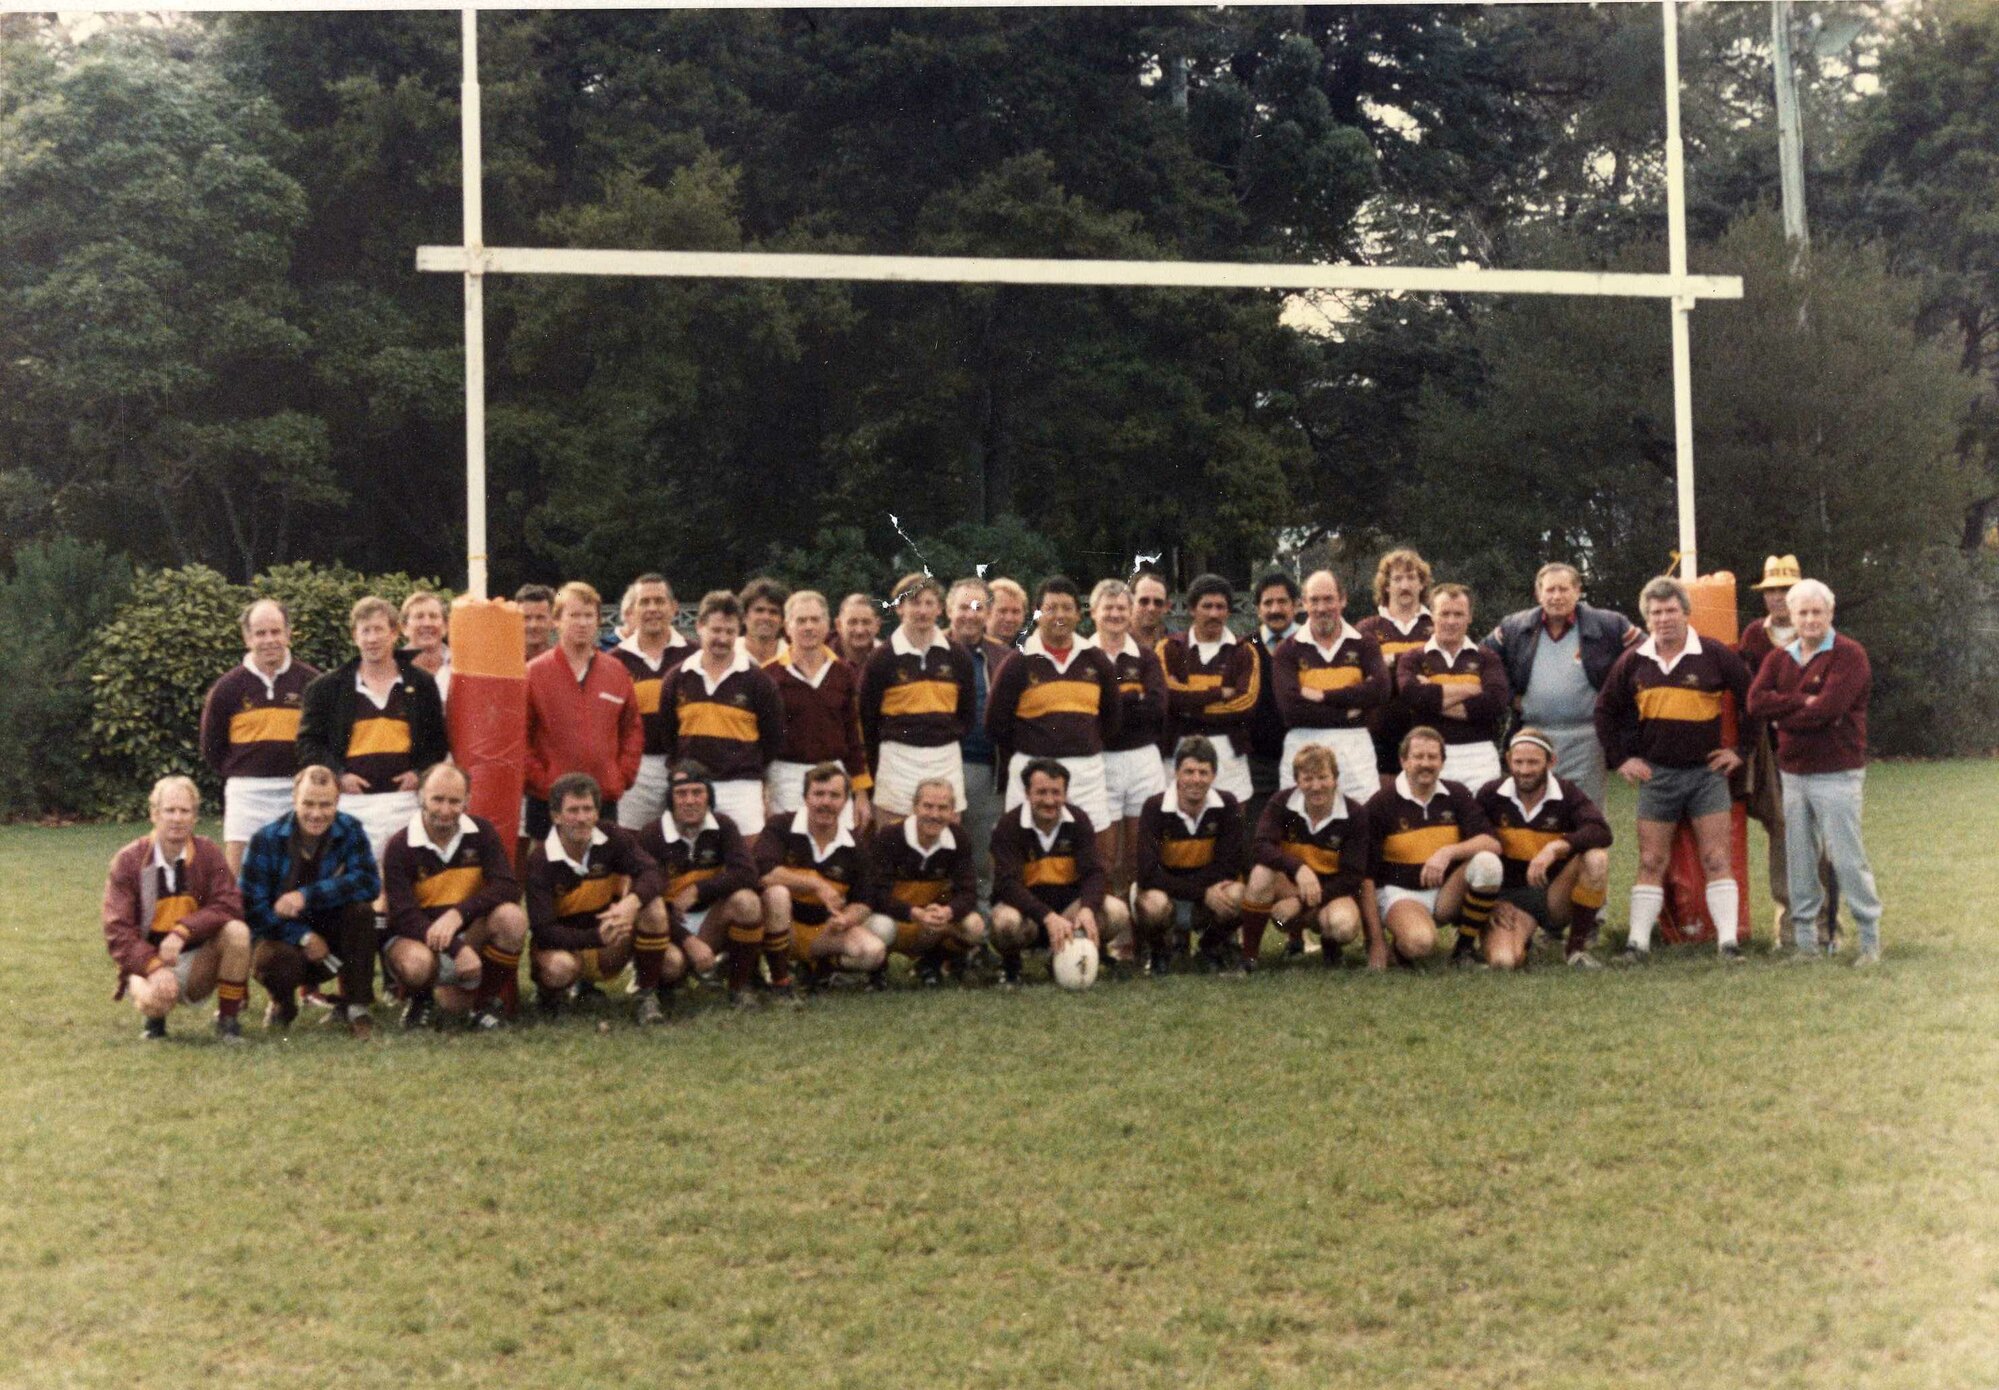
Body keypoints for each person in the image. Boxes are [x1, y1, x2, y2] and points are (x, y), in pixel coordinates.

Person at [1595, 575, 1756, 964]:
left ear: (1686, 612)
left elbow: (1753, 698)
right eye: (1655, 613)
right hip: (1658, 776)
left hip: (1706, 775)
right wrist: (1621, 758)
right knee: (1651, 860)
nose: (1663, 618)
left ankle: (1728, 944)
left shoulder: (1714, 654)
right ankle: (1637, 944)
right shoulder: (1634, 660)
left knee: (1717, 858)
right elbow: (1604, 711)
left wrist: (1740, 750)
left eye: (1670, 611)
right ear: (1646, 619)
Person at [1746, 578, 1884, 965]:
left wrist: (1784, 716)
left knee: (1845, 857)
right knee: (1799, 858)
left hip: (1838, 773)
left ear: (1830, 613)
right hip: (1793, 774)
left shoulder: (1849, 655)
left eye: (1816, 612)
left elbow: (1829, 709)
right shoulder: (1778, 658)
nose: (1809, 619)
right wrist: (1802, 701)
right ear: (1791, 615)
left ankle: (1869, 941)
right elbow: (1756, 703)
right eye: (1802, 612)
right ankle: (1806, 944)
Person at [297, 595, 449, 867]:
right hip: (351, 804)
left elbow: (437, 742)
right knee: (353, 885)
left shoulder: (422, 683)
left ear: (394, 633)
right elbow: (308, 744)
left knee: (403, 882)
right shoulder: (327, 687)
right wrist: (339, 776)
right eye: (365, 631)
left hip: (405, 802)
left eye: (379, 629)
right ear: (354, 635)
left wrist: (418, 773)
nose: (372, 638)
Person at [101, 776, 253, 1042]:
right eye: (170, 810)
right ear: (154, 814)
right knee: (156, 1000)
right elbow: (117, 931)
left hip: (195, 959)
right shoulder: (128, 860)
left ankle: (228, 1021)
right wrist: (154, 966)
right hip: (149, 960)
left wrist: (183, 931)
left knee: (237, 932)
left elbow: (229, 903)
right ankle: (155, 1020)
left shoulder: (208, 853)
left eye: (185, 811)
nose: (177, 818)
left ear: (195, 817)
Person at [985, 575, 1121, 866]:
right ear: (1037, 613)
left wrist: (1080, 742)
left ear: (1078, 614)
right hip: (1031, 772)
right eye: (1051, 608)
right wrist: (1034, 746)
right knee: (1023, 854)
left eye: (1066, 608)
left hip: (1086, 773)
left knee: (1094, 855)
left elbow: (1112, 719)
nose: (1059, 615)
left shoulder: (1096, 660)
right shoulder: (1017, 662)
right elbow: (996, 723)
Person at [1739, 553, 1838, 950]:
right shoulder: (1754, 637)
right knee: (1782, 830)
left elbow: (1827, 697)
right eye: (1772, 591)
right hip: (1770, 750)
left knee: (1822, 835)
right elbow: (1752, 698)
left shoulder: (1822, 637)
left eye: (1786, 590)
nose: (1778, 598)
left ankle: (1827, 925)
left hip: (1818, 747)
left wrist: (1787, 703)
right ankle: (1789, 923)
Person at [380, 763, 526, 1030]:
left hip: (469, 933)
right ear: (421, 796)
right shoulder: (400, 845)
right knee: (416, 964)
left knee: (512, 918)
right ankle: (419, 1000)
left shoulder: (482, 833)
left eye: (454, 801)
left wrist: (458, 914)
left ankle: (482, 1004)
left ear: (468, 801)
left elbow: (508, 886)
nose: (445, 810)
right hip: (419, 938)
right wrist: (456, 949)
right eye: (437, 799)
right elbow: (402, 915)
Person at [1482, 562, 1638, 809]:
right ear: (1538, 593)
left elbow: (1646, 655)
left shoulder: (1610, 624)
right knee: (1535, 812)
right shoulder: (1514, 627)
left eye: (1563, 589)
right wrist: (1510, 695)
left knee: (1587, 813)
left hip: (1588, 738)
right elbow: (1483, 658)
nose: (1556, 596)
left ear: (1577, 591)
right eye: (1550, 589)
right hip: (1534, 735)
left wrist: (1615, 698)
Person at [525, 772, 678, 1024]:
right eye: (573, 810)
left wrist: (632, 902)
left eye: (588, 809)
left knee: (656, 915)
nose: (582, 818)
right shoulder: (540, 860)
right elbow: (543, 930)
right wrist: (594, 937)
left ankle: (648, 996)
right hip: (567, 947)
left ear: (597, 812)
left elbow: (653, 872)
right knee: (559, 968)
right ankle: (551, 997)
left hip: (609, 944)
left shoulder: (611, 837)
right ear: (556, 816)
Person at [241, 765, 382, 1033]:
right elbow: (252, 909)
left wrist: (306, 896)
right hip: (283, 942)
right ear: (294, 798)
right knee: (272, 961)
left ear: (337, 801)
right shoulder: (265, 840)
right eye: (308, 803)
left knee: (362, 912)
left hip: (334, 944)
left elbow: (369, 882)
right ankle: (282, 1003)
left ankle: (356, 1007)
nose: (316, 813)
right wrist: (303, 936)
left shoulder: (351, 830)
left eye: (325, 804)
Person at [1363, 727, 1504, 969]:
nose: (1425, 764)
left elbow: (1491, 842)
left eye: (1432, 757)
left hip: (1446, 891)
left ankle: (1463, 950)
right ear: (1403, 761)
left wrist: (1447, 852)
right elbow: (1365, 875)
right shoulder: (1382, 803)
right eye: (1418, 757)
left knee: (1488, 863)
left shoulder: (1456, 793)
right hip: (1401, 892)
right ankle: (1400, 945)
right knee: (1420, 943)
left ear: (1442, 761)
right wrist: (1376, 942)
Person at [1474, 728, 1614, 970]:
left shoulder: (1567, 792)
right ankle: (1522, 938)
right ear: (1508, 760)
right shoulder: (1491, 794)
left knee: (1596, 858)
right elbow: (1472, 847)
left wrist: (1557, 847)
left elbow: (1601, 831)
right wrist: (1491, 902)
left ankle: (1575, 949)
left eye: (1533, 762)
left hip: (1553, 897)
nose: (1525, 770)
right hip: (1507, 900)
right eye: (1518, 762)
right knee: (1503, 962)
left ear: (1551, 762)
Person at [199, 598, 320, 876]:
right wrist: (243, 771)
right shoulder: (227, 687)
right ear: (247, 637)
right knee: (239, 878)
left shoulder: (313, 682)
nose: (269, 640)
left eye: (276, 632)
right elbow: (211, 747)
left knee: (299, 875)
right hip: (246, 794)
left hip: (297, 792)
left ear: (289, 633)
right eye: (260, 633)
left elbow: (325, 740)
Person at [636, 762, 767, 1009]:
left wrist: (699, 890)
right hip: (671, 926)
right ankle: (652, 993)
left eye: (698, 793)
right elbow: (645, 898)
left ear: (709, 796)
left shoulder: (723, 826)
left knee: (747, 901)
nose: (690, 801)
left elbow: (747, 873)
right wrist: (688, 940)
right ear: (670, 799)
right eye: (681, 794)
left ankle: (739, 987)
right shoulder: (651, 835)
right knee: (671, 965)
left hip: (710, 921)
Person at [989, 758, 1128, 986]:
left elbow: (1094, 872)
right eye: (1041, 792)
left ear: (1065, 793)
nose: (1049, 800)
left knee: (1117, 912)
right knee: (1005, 922)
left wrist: (1087, 909)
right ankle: (1011, 964)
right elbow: (1007, 885)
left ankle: (1066, 957)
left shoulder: (1078, 820)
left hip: (1068, 914)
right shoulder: (1009, 826)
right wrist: (1046, 916)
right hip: (1029, 917)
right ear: (1027, 793)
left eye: (1056, 792)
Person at [524, 580, 643, 841]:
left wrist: (620, 777)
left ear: (599, 621)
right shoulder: (534, 672)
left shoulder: (616, 671)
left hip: (602, 797)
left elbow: (632, 730)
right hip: (549, 801)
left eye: (589, 616)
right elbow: (519, 738)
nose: (582, 623)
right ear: (557, 620)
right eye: (574, 615)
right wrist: (543, 782)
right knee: (547, 874)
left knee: (601, 874)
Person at [662, 590, 785, 837]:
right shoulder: (677, 678)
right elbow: (668, 734)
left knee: (749, 859)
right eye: (716, 630)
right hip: (692, 787)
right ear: (699, 627)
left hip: (742, 788)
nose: (722, 638)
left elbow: (773, 739)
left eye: (730, 632)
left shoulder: (758, 681)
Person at [1242, 744, 1377, 970]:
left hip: (1331, 893)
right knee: (1261, 873)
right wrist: (1298, 869)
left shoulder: (1354, 814)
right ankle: (1249, 958)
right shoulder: (1282, 803)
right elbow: (1260, 845)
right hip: (1290, 887)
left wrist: (1300, 902)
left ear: (1335, 778)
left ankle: (1330, 943)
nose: (1316, 786)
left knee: (1343, 926)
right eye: (1307, 779)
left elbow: (1353, 876)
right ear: (1297, 780)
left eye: (1323, 777)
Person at [859, 573, 975, 822]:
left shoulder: (958, 657)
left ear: (940, 609)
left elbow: (967, 714)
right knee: (892, 838)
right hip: (897, 761)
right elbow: (867, 720)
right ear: (900, 607)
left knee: (946, 840)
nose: (922, 611)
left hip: (945, 759)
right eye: (914, 602)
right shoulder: (882, 658)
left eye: (929, 603)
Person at [756, 763, 877, 995]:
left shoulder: (855, 844)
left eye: (834, 795)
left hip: (822, 932)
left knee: (872, 952)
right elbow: (764, 872)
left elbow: (864, 901)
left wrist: (847, 919)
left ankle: (821, 970)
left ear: (845, 801)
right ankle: (780, 980)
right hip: (781, 925)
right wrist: (815, 884)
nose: (825, 802)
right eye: (818, 794)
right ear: (805, 797)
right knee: (777, 893)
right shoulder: (781, 826)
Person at [1271, 569, 1388, 807]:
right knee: (1299, 824)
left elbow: (1380, 690)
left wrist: (1323, 695)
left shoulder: (1365, 643)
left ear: (1342, 599)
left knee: (1360, 819)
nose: (1322, 607)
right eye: (1314, 600)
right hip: (1303, 747)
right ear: (1303, 603)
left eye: (1328, 599)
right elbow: (1291, 710)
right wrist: (1349, 711)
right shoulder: (1287, 649)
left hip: (1355, 751)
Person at [1134, 736, 1250, 976]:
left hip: (1206, 901)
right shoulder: (1154, 807)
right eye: (1189, 771)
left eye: (1203, 772)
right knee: (1151, 904)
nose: (1196, 779)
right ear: (1176, 772)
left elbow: (1229, 865)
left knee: (1240, 895)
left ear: (1214, 775)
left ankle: (1210, 948)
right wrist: (1201, 892)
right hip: (1171, 898)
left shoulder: (1227, 804)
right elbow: (1148, 873)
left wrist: (1204, 895)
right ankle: (1160, 951)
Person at [1084, 578, 1167, 898]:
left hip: (1143, 760)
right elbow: (1084, 714)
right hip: (1100, 761)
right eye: (1109, 608)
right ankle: (1112, 933)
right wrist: (1132, 701)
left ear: (1130, 612)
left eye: (1122, 608)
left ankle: (1136, 935)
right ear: (1093, 612)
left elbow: (1157, 710)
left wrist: (1109, 704)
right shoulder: (1083, 656)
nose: (1116, 614)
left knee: (1138, 856)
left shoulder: (1146, 658)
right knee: (1105, 857)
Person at [863, 777, 986, 986]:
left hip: (931, 922)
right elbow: (875, 894)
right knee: (880, 927)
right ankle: (878, 971)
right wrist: (913, 913)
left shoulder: (959, 838)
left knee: (974, 926)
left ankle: (931, 962)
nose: (935, 815)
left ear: (953, 812)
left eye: (943, 808)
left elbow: (968, 892)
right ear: (914, 807)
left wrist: (948, 912)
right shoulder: (890, 835)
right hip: (896, 919)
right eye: (927, 806)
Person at [765, 589, 870, 831]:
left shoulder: (843, 673)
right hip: (786, 778)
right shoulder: (768, 675)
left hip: (834, 776)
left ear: (827, 625)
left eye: (815, 619)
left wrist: (861, 793)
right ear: (787, 626)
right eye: (801, 620)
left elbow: (854, 735)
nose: (809, 627)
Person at [1393, 582, 1509, 793]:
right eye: (1444, 614)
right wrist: (1472, 689)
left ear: (1469, 617)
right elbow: (1413, 697)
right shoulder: (1413, 657)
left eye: (1458, 614)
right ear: (1432, 616)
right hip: (1428, 756)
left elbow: (1495, 703)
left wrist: (1433, 694)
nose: (1451, 621)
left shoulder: (1486, 656)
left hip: (1479, 757)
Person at [1156, 573, 1259, 801]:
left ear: (1228, 611)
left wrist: (1187, 708)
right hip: (1178, 751)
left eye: (1220, 607)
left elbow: (1245, 703)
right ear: (1192, 609)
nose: (1214, 613)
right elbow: (1166, 697)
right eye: (1207, 606)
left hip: (1229, 752)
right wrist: (1219, 693)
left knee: (1231, 824)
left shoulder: (1243, 651)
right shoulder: (1169, 648)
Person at [611, 573, 691, 831]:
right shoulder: (614, 661)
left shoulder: (695, 655)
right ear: (632, 610)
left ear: (674, 607)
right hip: (636, 769)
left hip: (683, 765)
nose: (653, 609)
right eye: (645, 602)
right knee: (632, 841)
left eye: (660, 601)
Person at [948, 576, 1011, 900]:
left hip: (986, 765)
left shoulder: (1003, 656)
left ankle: (981, 922)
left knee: (982, 850)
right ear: (949, 610)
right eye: (963, 607)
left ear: (988, 614)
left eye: (978, 608)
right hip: (939, 762)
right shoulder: (932, 650)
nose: (970, 615)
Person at [1357, 548, 1434, 789]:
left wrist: (1391, 660)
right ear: (1386, 586)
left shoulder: (1436, 625)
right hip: (1381, 734)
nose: (1405, 585)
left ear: (1422, 584)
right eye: (1397, 579)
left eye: (1411, 577)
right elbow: (1362, 675)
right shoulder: (1367, 628)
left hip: (1429, 733)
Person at [1246, 570, 1301, 820]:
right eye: (1268, 603)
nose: (1275, 609)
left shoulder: (1310, 644)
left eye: (1282, 602)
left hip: (1304, 757)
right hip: (1258, 765)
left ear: (1296, 605)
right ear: (1258, 609)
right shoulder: (1244, 649)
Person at [400, 589, 451, 706]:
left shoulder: (461, 666)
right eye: (419, 617)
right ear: (404, 627)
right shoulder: (390, 670)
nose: (427, 623)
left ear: (445, 626)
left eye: (433, 616)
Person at [737, 576, 790, 667]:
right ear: (744, 617)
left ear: (783, 621)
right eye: (759, 610)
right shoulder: (728, 654)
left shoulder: (794, 659)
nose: (766, 617)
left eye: (773, 612)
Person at [836, 592, 881, 669]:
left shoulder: (888, 660)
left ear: (877, 625)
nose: (859, 630)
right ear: (839, 625)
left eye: (866, 622)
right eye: (852, 622)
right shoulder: (822, 660)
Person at [1130, 570, 1173, 651]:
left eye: (1158, 602)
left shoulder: (1178, 644)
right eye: (1144, 601)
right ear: (1130, 602)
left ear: (1167, 606)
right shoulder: (1113, 640)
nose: (1151, 608)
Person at [514, 583, 556, 661]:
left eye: (540, 618)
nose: (533, 625)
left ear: (553, 621)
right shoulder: (504, 664)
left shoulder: (564, 663)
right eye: (526, 618)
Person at [987, 578, 1029, 648]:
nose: (1009, 619)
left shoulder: (1032, 651)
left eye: (1015, 612)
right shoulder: (968, 649)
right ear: (987, 612)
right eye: (1002, 611)